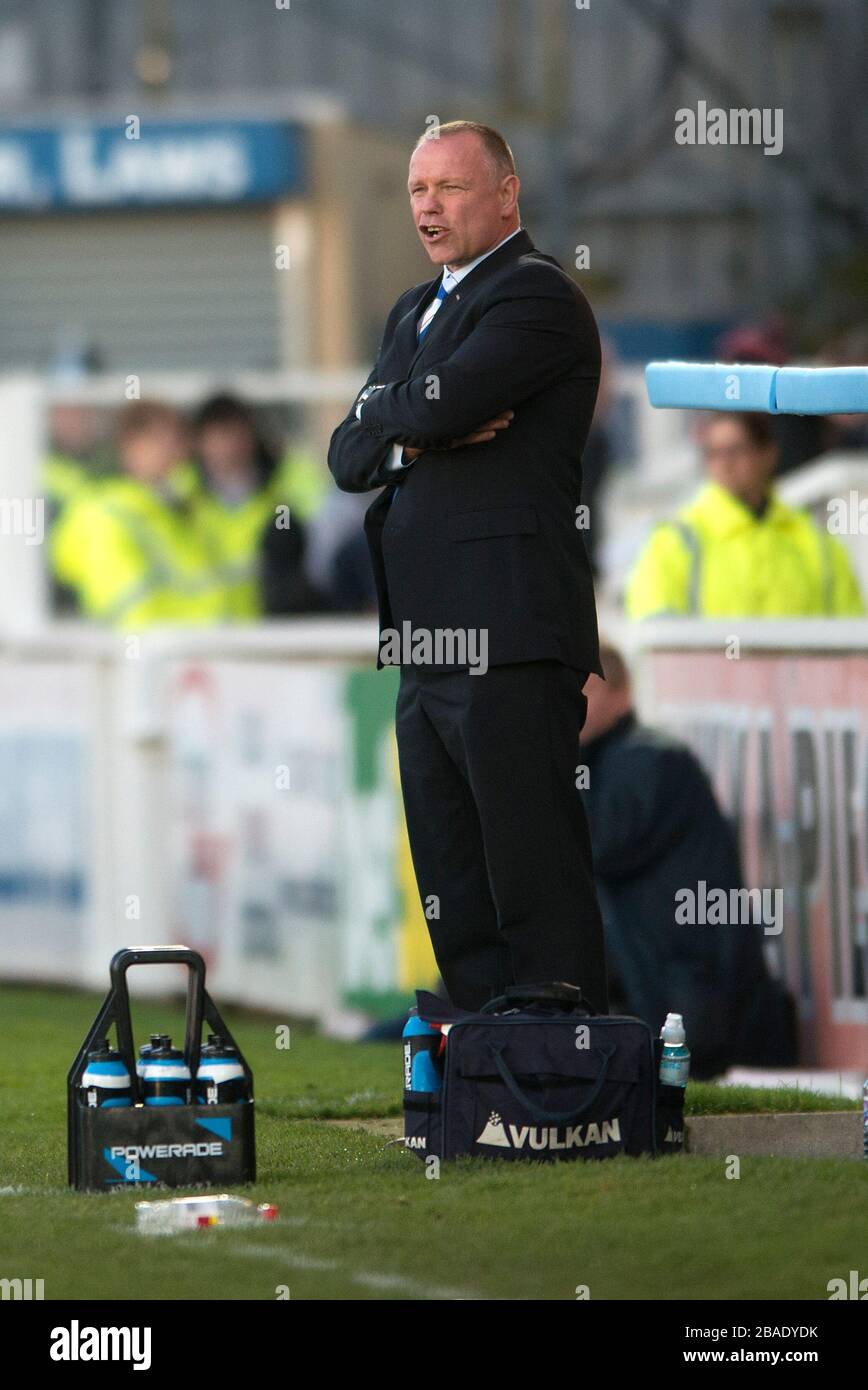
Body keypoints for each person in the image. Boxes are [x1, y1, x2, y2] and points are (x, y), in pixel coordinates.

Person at [328, 120, 607, 1013]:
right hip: (424, 644)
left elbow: (442, 403)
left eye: (448, 188)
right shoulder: (413, 311)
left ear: (506, 192)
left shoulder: (537, 297)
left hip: (511, 632)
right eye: (416, 191)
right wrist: (406, 434)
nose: (427, 207)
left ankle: (563, 1065)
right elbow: (345, 454)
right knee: (451, 871)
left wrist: (395, 416)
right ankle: (491, 1070)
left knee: (530, 864)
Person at [580, 643, 795, 1078]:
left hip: (705, 1012)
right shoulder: (609, 761)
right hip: (676, 994)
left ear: (622, 695)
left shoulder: (651, 761)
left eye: (583, 693)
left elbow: (592, 846)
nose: (570, 708)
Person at [626, 410, 863, 619]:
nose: (724, 464)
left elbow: (850, 634)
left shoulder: (816, 541)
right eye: (713, 453)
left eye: (736, 451)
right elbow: (654, 625)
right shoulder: (675, 540)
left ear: (768, 453)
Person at [51, 400, 234, 628]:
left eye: (178, 441)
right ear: (132, 445)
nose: (177, 453)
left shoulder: (180, 509)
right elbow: (127, 610)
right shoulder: (107, 516)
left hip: (198, 653)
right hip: (155, 658)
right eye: (164, 442)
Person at [191, 393, 321, 617]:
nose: (227, 447)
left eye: (233, 434)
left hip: (274, 623)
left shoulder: (288, 483)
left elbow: (321, 538)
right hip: (207, 626)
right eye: (217, 436)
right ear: (199, 443)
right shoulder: (182, 495)